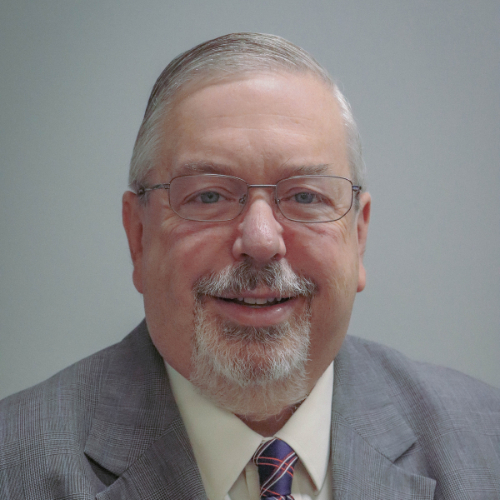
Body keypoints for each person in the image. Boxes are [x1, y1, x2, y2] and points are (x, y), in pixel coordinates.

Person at [0, 33, 499, 500]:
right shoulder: (14, 465)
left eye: (305, 196)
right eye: (209, 196)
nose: (261, 241)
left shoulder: (487, 442)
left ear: (359, 235)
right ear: (139, 236)